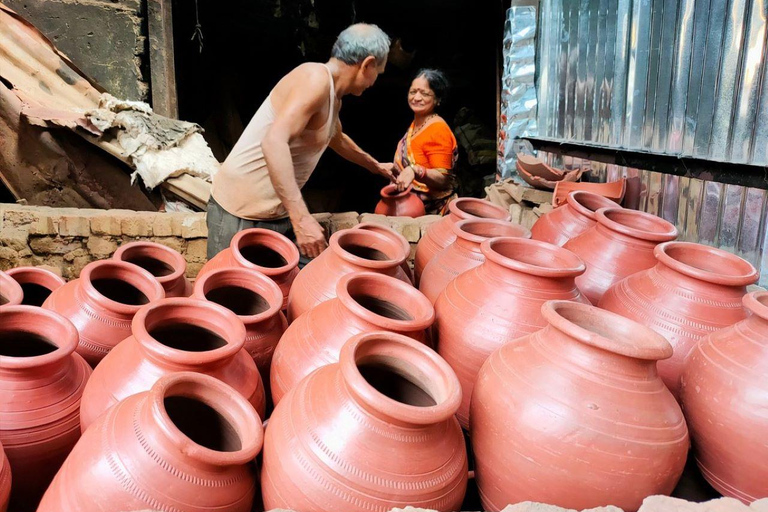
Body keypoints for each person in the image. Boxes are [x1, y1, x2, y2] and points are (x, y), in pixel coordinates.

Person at [207, 24, 395, 262]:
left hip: (275, 211)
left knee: (304, 280)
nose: (374, 81)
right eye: (378, 71)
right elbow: (273, 142)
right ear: (367, 64)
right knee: (229, 291)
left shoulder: (333, 96)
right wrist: (302, 219)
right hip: (239, 212)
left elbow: (335, 138)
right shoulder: (314, 80)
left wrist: (375, 166)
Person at [392, 69, 458, 215]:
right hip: (407, 205)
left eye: (425, 93)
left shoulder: (438, 129)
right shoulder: (416, 124)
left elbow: (443, 180)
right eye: (412, 92)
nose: (416, 97)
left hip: (431, 213)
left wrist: (415, 170)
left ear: (438, 99)